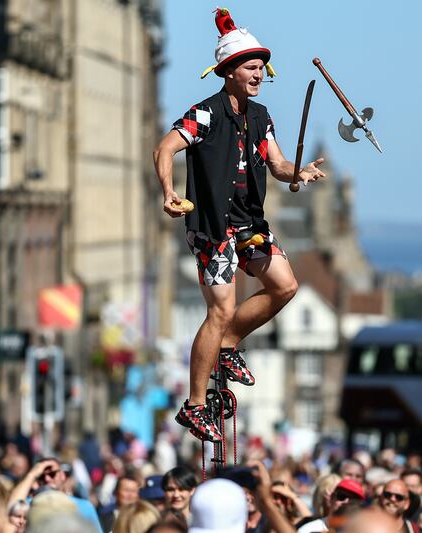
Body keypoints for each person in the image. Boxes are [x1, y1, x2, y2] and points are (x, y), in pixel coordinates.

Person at [153, 7, 325, 442]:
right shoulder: (205, 114)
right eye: (251, 67)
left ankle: (226, 345)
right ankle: (193, 405)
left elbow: (279, 163)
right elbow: (165, 149)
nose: (259, 74)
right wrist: (170, 193)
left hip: (249, 223)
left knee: (285, 285)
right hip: (212, 227)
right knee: (220, 308)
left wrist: (298, 173)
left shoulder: (261, 116)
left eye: (262, 68)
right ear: (229, 71)